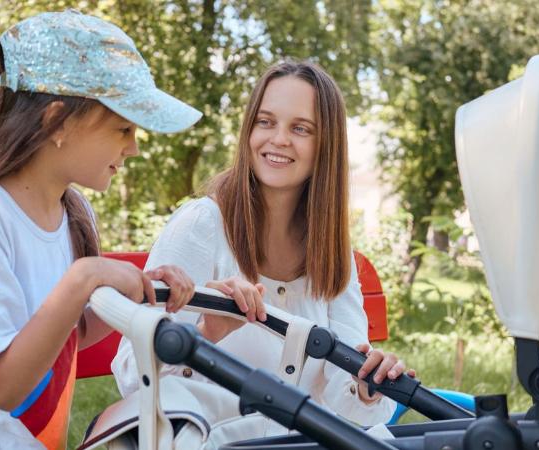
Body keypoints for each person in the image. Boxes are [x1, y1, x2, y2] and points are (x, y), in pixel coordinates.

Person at [0, 10, 199, 450]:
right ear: (57, 122)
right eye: (122, 127)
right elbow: (1, 389)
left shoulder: (73, 212)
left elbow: (62, 336)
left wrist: (136, 293)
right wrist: (85, 278)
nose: (132, 147)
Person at [112, 61, 414, 433]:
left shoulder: (332, 248)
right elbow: (131, 375)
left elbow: (347, 395)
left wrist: (367, 385)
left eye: (300, 128)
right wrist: (207, 333)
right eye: (265, 121)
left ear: (326, 146)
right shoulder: (203, 226)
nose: (279, 139)